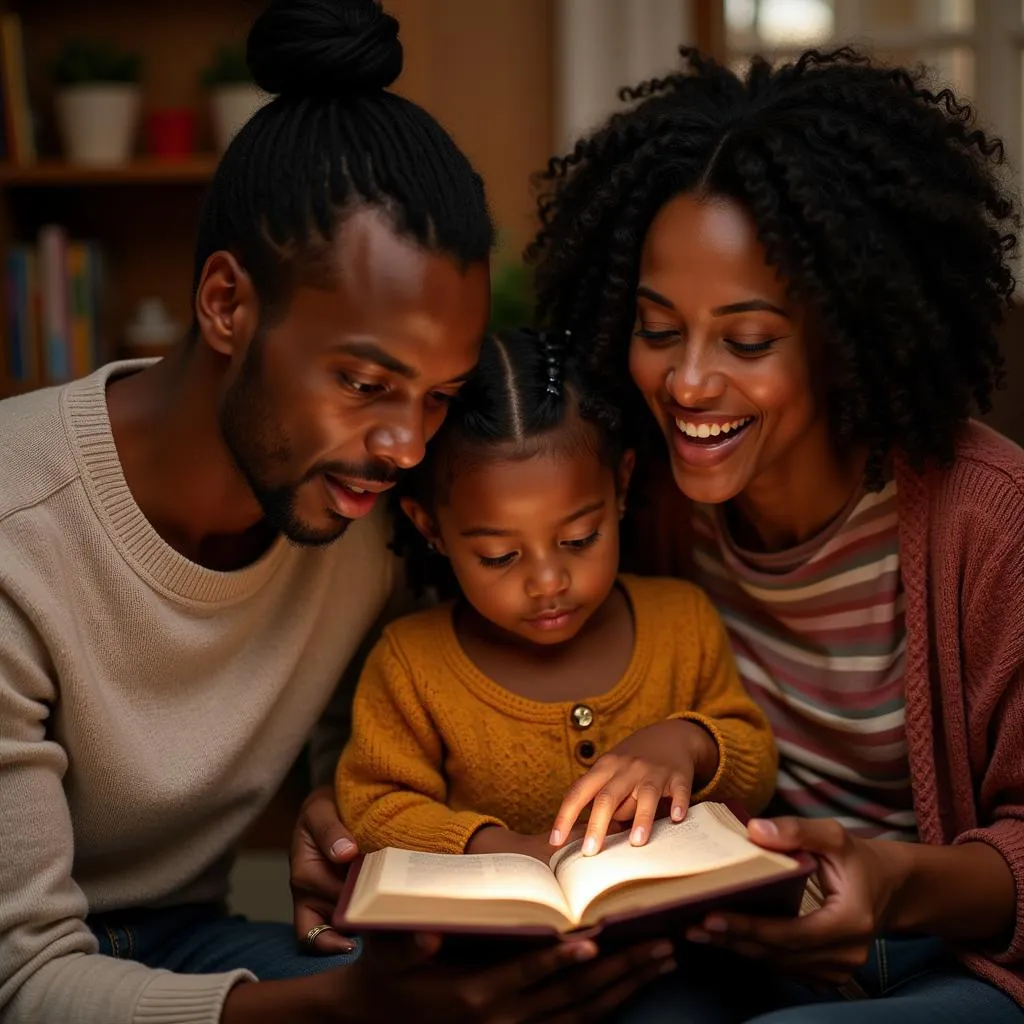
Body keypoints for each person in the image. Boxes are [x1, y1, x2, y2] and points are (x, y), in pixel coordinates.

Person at [0, 2, 675, 1022]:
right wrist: (353, 1008)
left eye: (437, 395)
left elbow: (343, 755)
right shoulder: (19, 525)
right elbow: (24, 979)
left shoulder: (362, 521)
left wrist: (334, 816)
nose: (406, 447)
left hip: (197, 936)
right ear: (227, 304)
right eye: (364, 381)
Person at [525, 46, 1024, 1022]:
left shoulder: (989, 523)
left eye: (746, 340)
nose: (688, 383)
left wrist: (889, 882)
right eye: (657, 328)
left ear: (846, 333)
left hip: (943, 963)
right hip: (720, 949)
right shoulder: (638, 507)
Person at [336, 328, 776, 863]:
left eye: (578, 540)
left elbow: (756, 767)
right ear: (430, 528)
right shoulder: (411, 668)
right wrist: (505, 852)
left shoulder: (681, 623)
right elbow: (375, 808)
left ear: (620, 488)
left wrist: (687, 743)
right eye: (499, 556)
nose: (548, 582)